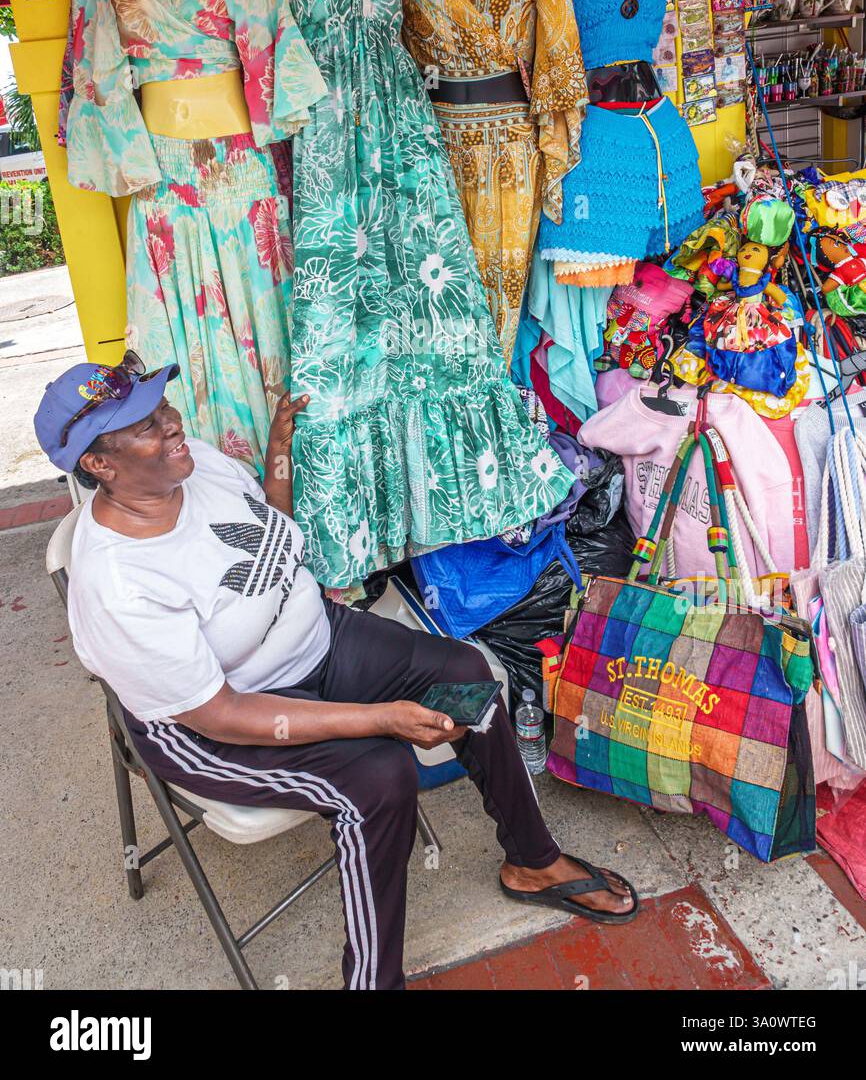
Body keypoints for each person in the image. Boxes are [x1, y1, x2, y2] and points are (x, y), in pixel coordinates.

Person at [35, 355, 639, 990]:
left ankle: (533, 864)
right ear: (100, 465)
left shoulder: (192, 464)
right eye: (145, 424)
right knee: (377, 777)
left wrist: (277, 455)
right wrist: (379, 720)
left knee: (465, 677)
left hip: (314, 642)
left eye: (162, 405)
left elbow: (268, 526)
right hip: (213, 721)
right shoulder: (119, 583)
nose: (171, 422)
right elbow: (222, 714)